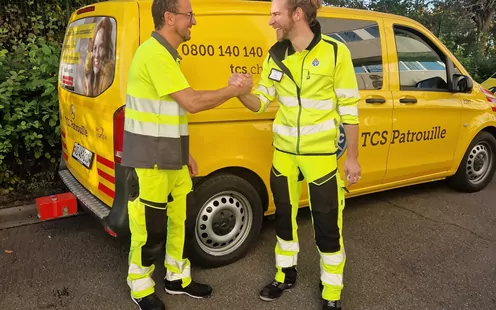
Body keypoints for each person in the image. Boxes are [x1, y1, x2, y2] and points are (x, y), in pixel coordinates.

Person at [229, 0, 361, 309]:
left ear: (296, 14)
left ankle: (331, 293)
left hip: (320, 158)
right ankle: (284, 274)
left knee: (328, 226)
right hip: (284, 155)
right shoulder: (275, 56)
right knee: (284, 220)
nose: (271, 20)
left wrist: (352, 158)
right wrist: (241, 93)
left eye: (276, 13)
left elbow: (350, 110)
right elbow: (261, 101)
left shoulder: (335, 52)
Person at [120, 0, 251, 309]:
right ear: (169, 17)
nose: (193, 21)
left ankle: (176, 278)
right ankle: (140, 287)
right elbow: (191, 102)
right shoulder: (154, 54)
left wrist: (185, 152)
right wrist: (232, 90)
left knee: (180, 219)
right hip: (150, 160)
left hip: (172, 157)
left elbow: (171, 112)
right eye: (189, 15)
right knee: (148, 227)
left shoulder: (167, 56)